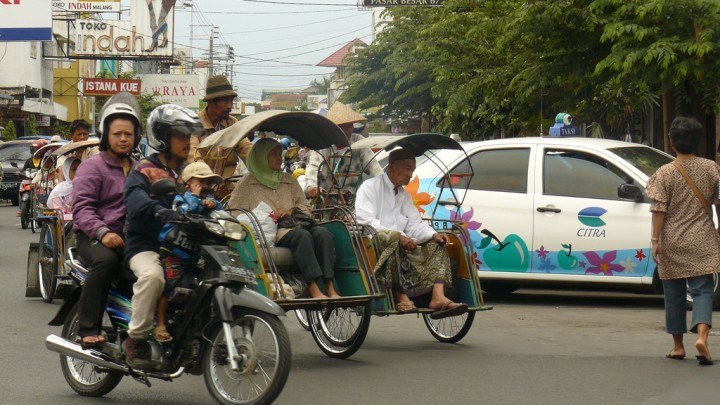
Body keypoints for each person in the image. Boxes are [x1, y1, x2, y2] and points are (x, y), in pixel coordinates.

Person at [123, 104, 204, 367]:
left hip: (182, 245)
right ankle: (135, 339)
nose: (186, 141)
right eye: (179, 135)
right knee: (153, 276)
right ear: (162, 137)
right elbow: (135, 201)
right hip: (147, 245)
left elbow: (205, 196)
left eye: (188, 135)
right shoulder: (143, 170)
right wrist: (158, 210)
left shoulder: (189, 172)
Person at [355, 148, 467, 319]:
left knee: (437, 243)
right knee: (392, 238)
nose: (411, 175)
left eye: (412, 170)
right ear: (392, 168)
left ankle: (438, 296)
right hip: (376, 246)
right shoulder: (370, 187)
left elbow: (415, 224)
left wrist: (433, 234)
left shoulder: (404, 196)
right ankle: (400, 295)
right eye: (407, 169)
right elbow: (365, 220)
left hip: (405, 246)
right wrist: (398, 236)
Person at [646, 116, 720, 366]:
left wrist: (655, 239)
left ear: (672, 143)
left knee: (674, 294)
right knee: (701, 292)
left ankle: (678, 347)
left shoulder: (664, 173)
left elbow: (659, 209)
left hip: (673, 240)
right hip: (702, 238)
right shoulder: (711, 168)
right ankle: (702, 338)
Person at [227, 138, 339, 299]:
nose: (279, 158)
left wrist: (291, 210)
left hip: (298, 222)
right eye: (273, 154)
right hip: (274, 232)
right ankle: (314, 288)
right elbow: (234, 213)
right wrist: (267, 217)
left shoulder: (288, 179)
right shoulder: (247, 183)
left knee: (323, 234)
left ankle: (330, 286)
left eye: (279, 154)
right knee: (302, 236)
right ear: (260, 157)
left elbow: (306, 207)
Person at [72, 92, 141, 349]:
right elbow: (82, 209)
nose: (123, 139)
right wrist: (102, 233)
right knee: (106, 261)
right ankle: (88, 326)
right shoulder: (93, 167)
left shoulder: (140, 168)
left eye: (128, 134)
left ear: (136, 137)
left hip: (130, 238)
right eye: (117, 134)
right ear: (106, 136)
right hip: (92, 237)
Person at [154, 162, 222, 343]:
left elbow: (221, 212)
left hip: (196, 256)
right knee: (169, 285)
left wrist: (211, 203)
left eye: (208, 182)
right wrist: (195, 196)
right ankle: (159, 324)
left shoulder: (211, 204)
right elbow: (186, 211)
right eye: (201, 181)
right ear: (188, 183)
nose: (205, 186)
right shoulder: (181, 200)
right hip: (174, 252)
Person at [305, 101, 382, 201]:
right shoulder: (322, 145)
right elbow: (313, 167)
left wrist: (384, 185)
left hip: (353, 203)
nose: (349, 129)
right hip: (326, 202)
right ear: (333, 128)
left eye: (350, 125)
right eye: (345, 126)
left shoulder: (359, 142)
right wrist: (312, 187)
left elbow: (375, 169)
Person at [190, 75, 252, 181]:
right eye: (225, 101)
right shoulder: (195, 123)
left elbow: (246, 149)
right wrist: (206, 177)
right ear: (211, 102)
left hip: (226, 186)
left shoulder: (232, 123)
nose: (229, 106)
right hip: (200, 183)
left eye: (231, 101)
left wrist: (262, 163)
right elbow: (192, 154)